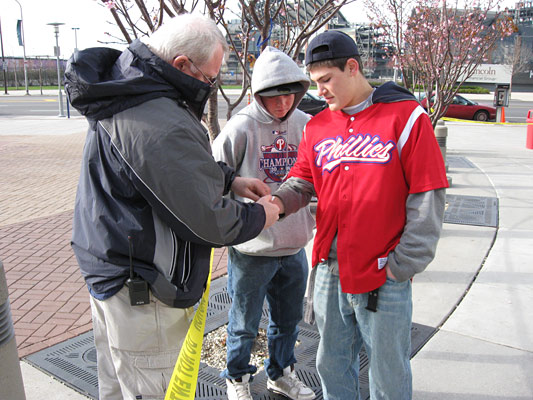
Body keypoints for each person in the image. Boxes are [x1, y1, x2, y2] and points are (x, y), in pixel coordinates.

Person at [64, 14, 280, 400]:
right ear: (182, 65)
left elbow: (160, 171)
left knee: (117, 384)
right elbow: (211, 223)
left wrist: (229, 179)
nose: (211, 86)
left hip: (111, 268)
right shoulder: (156, 117)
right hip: (145, 289)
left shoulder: (128, 88)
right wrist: (264, 214)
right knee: (158, 388)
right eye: (210, 78)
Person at [272, 30, 449, 400]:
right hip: (328, 270)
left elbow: (427, 196)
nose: (320, 91)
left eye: (326, 80)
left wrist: (401, 265)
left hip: (383, 273)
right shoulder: (317, 127)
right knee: (331, 365)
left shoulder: (405, 117)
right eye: (315, 83)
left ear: (352, 67)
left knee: (388, 372)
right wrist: (271, 205)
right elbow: (301, 181)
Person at [212, 46, 316, 400]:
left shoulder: (305, 124)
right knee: (243, 323)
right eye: (274, 97)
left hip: (293, 245)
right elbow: (215, 175)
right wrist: (229, 227)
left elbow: (315, 179)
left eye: (290, 95)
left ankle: (280, 374)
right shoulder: (241, 126)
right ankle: (237, 378)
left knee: (288, 321)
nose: (283, 104)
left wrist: (309, 219)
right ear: (258, 94)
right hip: (253, 248)